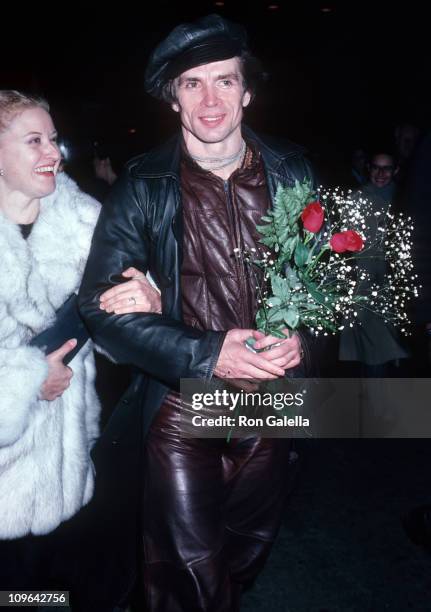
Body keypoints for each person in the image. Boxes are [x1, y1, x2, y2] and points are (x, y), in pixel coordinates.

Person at [79, 14, 312, 611]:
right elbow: (101, 308)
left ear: (248, 91)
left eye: (224, 81)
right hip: (185, 404)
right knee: (188, 576)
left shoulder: (293, 170)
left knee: (243, 556)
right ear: (173, 100)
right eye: (191, 84)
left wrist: (304, 339)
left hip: (272, 404)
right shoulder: (142, 183)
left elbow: (318, 287)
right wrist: (207, 351)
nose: (210, 100)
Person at [0, 90, 157, 599]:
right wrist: (25, 380)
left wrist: (144, 303)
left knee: (65, 587)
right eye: (33, 140)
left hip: (65, 464)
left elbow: (118, 334)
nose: (54, 153)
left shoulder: (87, 224)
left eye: (54, 139)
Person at [339, 151, 409, 376]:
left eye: (387, 168)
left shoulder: (405, 198)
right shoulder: (356, 198)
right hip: (366, 287)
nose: (380, 173)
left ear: (395, 170)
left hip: (397, 289)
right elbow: (345, 246)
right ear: (368, 168)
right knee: (374, 355)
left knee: (392, 357)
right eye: (376, 167)